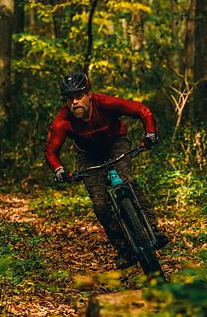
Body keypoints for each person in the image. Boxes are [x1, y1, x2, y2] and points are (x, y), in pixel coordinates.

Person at [45, 71, 168, 268]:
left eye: (79, 96)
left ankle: (153, 230)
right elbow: (51, 150)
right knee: (100, 203)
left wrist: (150, 133)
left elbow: (142, 110)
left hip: (116, 144)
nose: (74, 102)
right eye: (69, 98)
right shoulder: (63, 119)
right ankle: (124, 249)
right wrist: (59, 170)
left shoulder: (105, 103)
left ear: (89, 95)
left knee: (125, 180)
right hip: (87, 155)